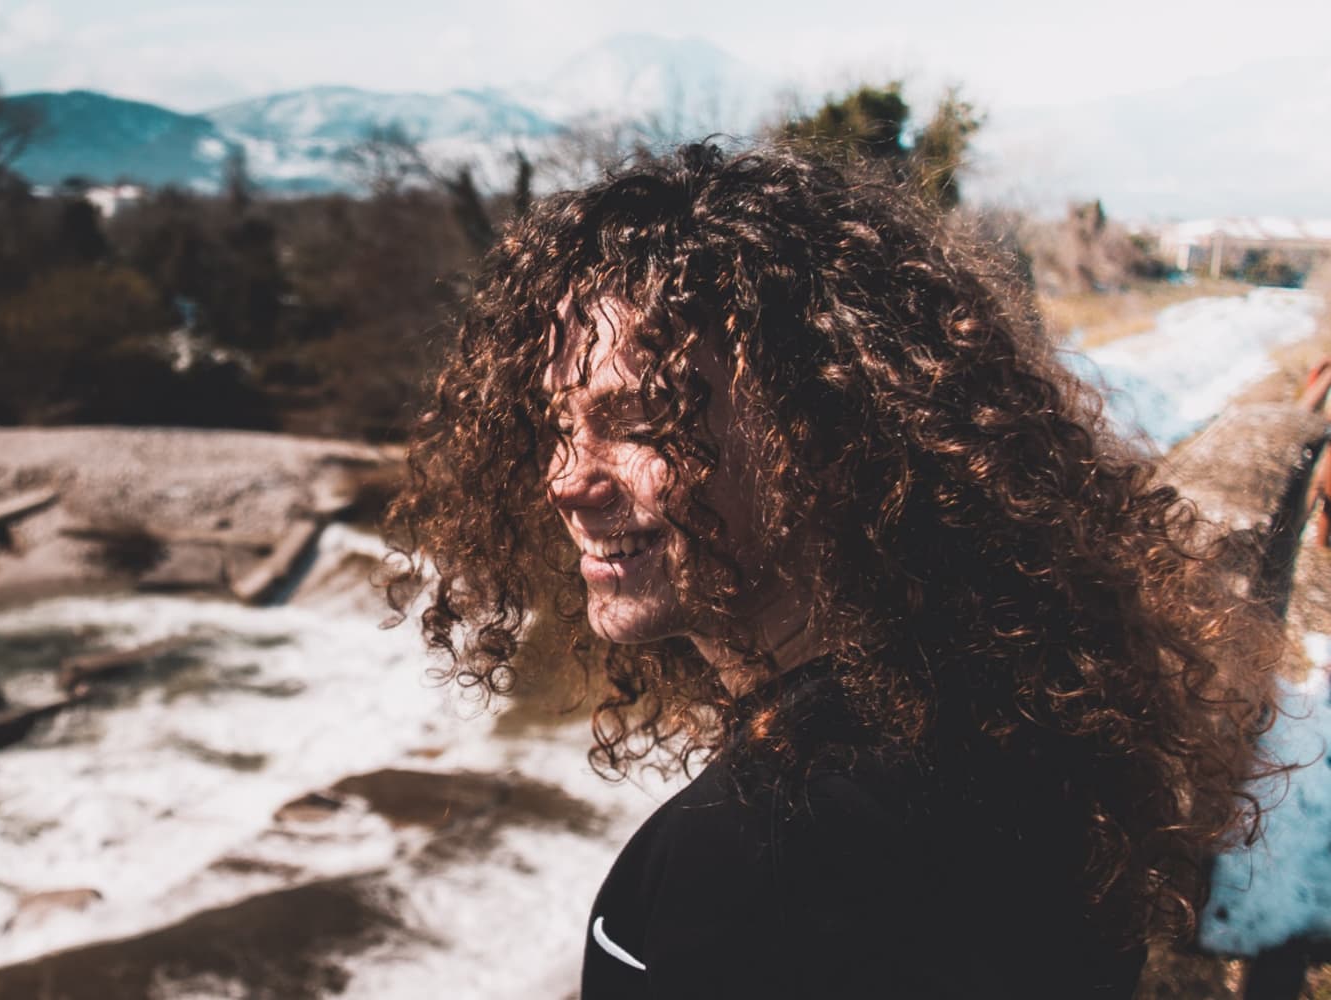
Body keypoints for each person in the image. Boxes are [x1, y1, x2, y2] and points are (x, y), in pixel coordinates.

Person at [384, 140, 1284, 998]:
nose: (567, 481)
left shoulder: (764, 861)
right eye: (560, 425)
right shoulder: (1004, 714)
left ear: (825, 438)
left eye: (648, 422)